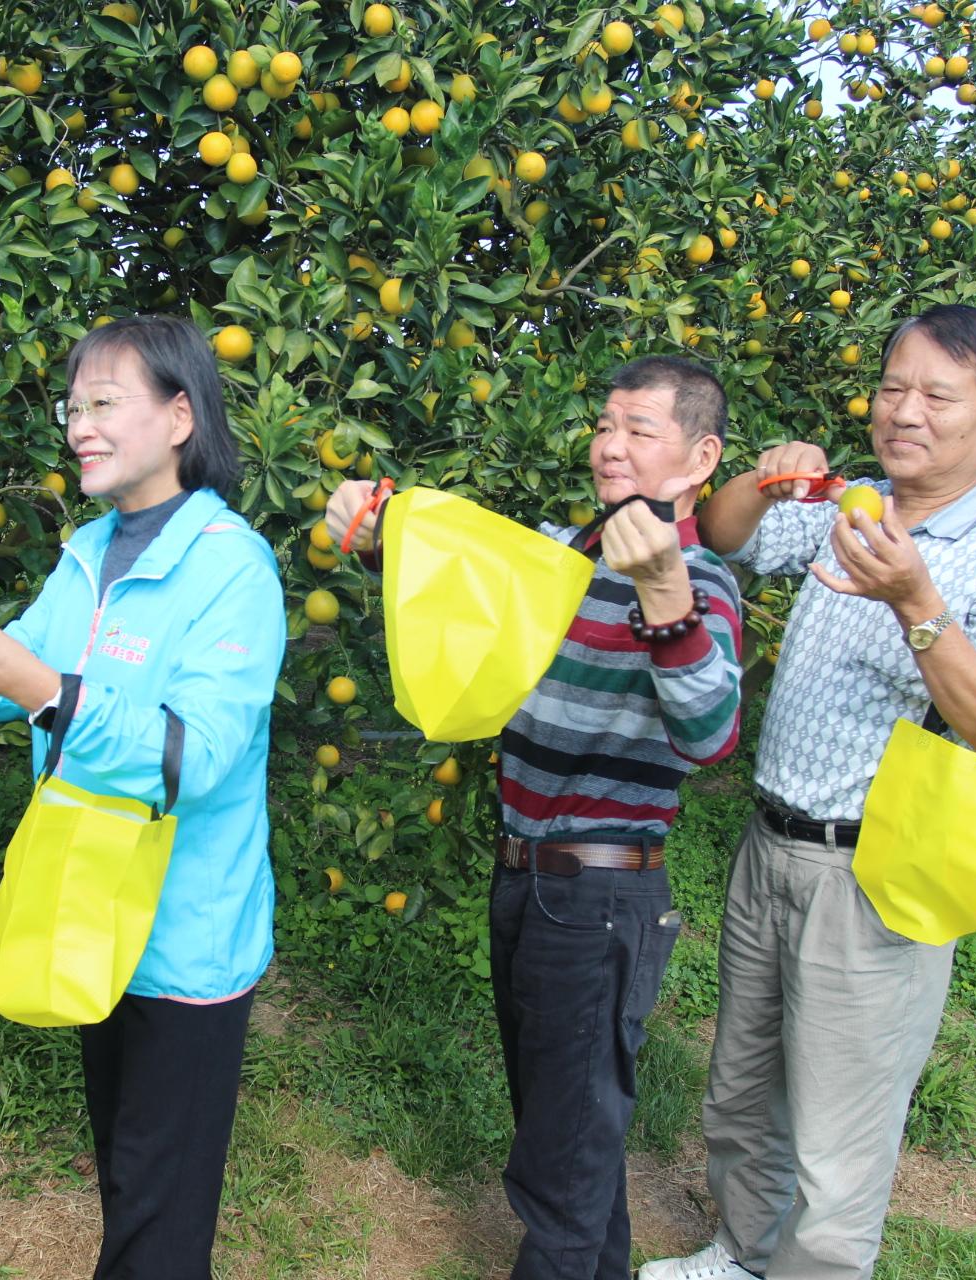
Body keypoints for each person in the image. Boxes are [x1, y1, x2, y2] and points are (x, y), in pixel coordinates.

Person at [641, 305, 976, 1280]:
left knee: (838, 1143)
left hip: (878, 869)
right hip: (772, 843)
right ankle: (743, 1252)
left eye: (938, 395)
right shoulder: (854, 503)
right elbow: (723, 535)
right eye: (892, 388)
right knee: (742, 1090)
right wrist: (766, 482)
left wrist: (916, 600)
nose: (905, 411)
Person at [0, 315, 285, 1280]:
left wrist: (41, 688)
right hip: (91, 910)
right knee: (127, 1175)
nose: (79, 427)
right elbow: (12, 683)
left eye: (103, 403)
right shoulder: (92, 548)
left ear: (180, 417)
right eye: (72, 407)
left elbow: (193, 757)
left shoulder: (231, 566)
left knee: (159, 1212)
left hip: (184, 935)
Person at [326, 356, 744, 1279]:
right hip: (524, 876)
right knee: (568, 1137)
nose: (611, 446)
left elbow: (712, 735)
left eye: (639, 430)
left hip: (600, 898)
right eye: (604, 426)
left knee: (562, 1164)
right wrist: (374, 524)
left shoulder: (701, 581)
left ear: (700, 457)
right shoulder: (559, 554)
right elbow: (460, 576)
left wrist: (663, 591)